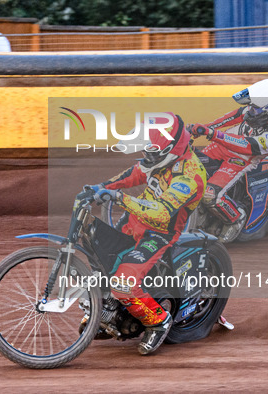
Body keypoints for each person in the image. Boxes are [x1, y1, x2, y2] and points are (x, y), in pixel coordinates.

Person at [86, 113, 207, 355]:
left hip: (159, 233)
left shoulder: (190, 176)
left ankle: (158, 322)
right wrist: (101, 187)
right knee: (99, 255)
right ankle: (110, 311)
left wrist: (119, 197)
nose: (146, 157)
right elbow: (134, 174)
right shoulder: (160, 158)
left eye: (151, 153)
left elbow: (162, 213)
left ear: (172, 150)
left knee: (122, 284)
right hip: (133, 222)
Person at [187, 78, 268, 242]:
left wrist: (213, 134)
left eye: (254, 109)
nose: (250, 111)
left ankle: (235, 219)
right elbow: (235, 116)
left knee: (210, 195)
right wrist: (206, 127)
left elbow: (244, 146)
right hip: (223, 145)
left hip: (241, 159)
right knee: (191, 163)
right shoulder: (258, 111)